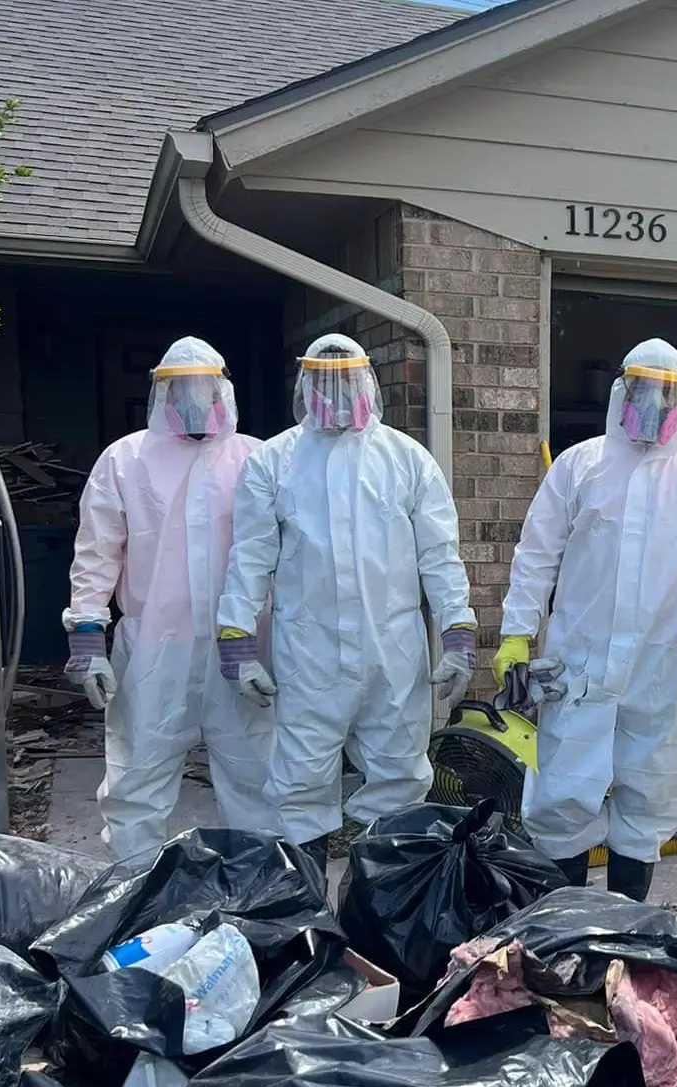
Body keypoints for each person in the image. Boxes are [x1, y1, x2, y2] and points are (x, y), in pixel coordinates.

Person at [494, 338, 677, 902]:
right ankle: (562, 928)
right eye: (643, 390)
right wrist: (517, 635)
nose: (654, 405)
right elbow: (536, 553)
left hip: (666, 669)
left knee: (652, 798)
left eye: (667, 394)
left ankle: (621, 928)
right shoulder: (581, 464)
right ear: (621, 390)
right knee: (562, 797)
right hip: (580, 665)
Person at [216, 334, 476, 872]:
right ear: (305, 385)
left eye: (346, 381)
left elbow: (440, 555)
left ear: (367, 384)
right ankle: (310, 923)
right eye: (323, 381)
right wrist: (236, 641)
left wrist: (457, 634)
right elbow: (250, 558)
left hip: (393, 654)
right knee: (300, 786)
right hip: (310, 654)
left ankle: (377, 913)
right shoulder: (274, 462)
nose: (335, 394)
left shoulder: (406, 460)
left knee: (401, 779)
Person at [63, 337, 276, 861]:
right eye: (181, 389)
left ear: (224, 389)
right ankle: (135, 893)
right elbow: (97, 550)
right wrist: (87, 635)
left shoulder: (258, 458)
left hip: (243, 649)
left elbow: (287, 552)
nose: (194, 400)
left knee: (257, 779)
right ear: (160, 394)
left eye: (205, 388)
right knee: (138, 777)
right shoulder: (126, 459)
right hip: (155, 647)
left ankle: (258, 901)